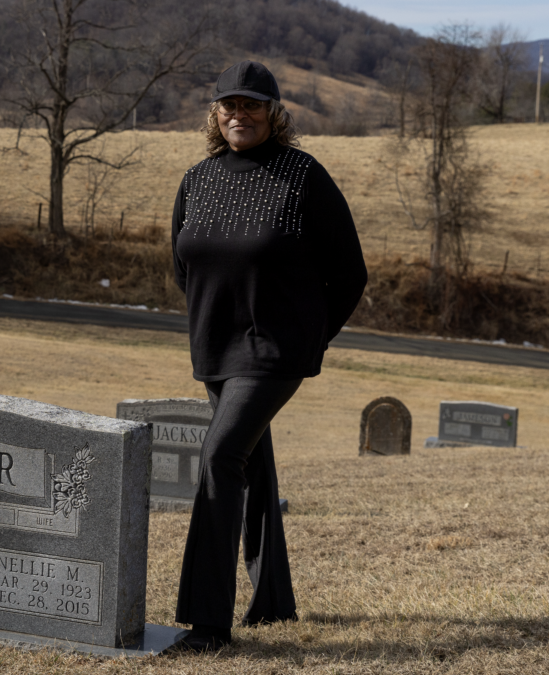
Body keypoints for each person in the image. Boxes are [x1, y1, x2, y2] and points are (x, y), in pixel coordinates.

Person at [166, 61, 367, 653]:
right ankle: (273, 602)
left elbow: (349, 273)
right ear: (214, 113)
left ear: (275, 114)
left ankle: (206, 624)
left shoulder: (303, 177)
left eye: (252, 106)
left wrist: (308, 338)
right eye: (229, 105)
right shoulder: (196, 180)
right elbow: (183, 264)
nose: (239, 115)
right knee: (251, 466)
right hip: (215, 347)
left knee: (220, 457)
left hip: (273, 350)